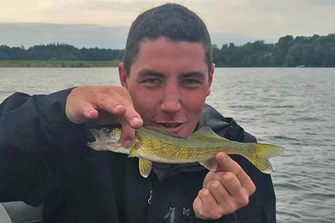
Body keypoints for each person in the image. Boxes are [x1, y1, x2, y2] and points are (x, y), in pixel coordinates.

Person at [0, 3, 276, 223]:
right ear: (124, 77)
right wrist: (55, 110)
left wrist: (222, 219)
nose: (170, 104)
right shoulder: (70, 141)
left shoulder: (242, 162)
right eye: (152, 80)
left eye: (190, 80)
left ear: (210, 80)